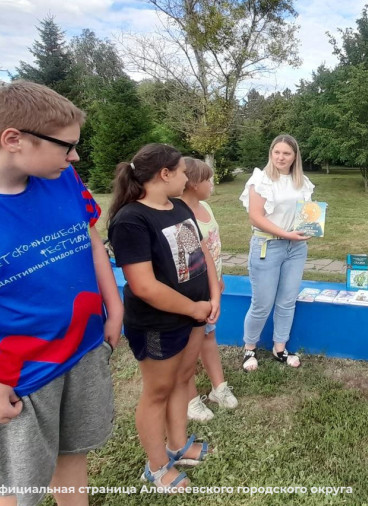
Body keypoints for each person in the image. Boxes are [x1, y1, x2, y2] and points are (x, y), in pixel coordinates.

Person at [0, 81, 122, 506]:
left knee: (73, 452)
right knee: (19, 487)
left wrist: (113, 305)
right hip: (19, 376)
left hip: (83, 349)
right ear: (13, 140)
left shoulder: (61, 177)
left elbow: (90, 236)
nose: (75, 156)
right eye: (67, 146)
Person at [108, 144, 221, 491]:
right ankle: (156, 467)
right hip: (158, 323)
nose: (188, 177)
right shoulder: (131, 220)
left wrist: (214, 293)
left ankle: (179, 445)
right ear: (165, 174)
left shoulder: (178, 207)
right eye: (183, 171)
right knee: (157, 391)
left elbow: (201, 251)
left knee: (183, 378)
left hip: (195, 314)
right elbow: (143, 285)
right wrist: (193, 308)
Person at [239, 134, 314, 372]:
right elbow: (256, 216)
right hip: (267, 246)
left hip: (296, 248)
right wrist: (286, 233)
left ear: (295, 157)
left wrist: (308, 228)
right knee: (262, 302)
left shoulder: (301, 181)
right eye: (276, 152)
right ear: (271, 153)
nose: (281, 157)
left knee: (287, 301)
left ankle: (279, 347)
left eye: (286, 153)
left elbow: (307, 213)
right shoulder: (260, 180)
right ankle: (249, 348)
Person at [180, 157, 238, 422]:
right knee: (188, 346)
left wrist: (219, 278)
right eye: (208, 180)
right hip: (192, 291)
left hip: (212, 286)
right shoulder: (179, 214)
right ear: (192, 184)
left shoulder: (204, 207)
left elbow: (213, 247)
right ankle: (190, 399)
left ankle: (219, 388)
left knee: (208, 338)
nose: (213, 184)